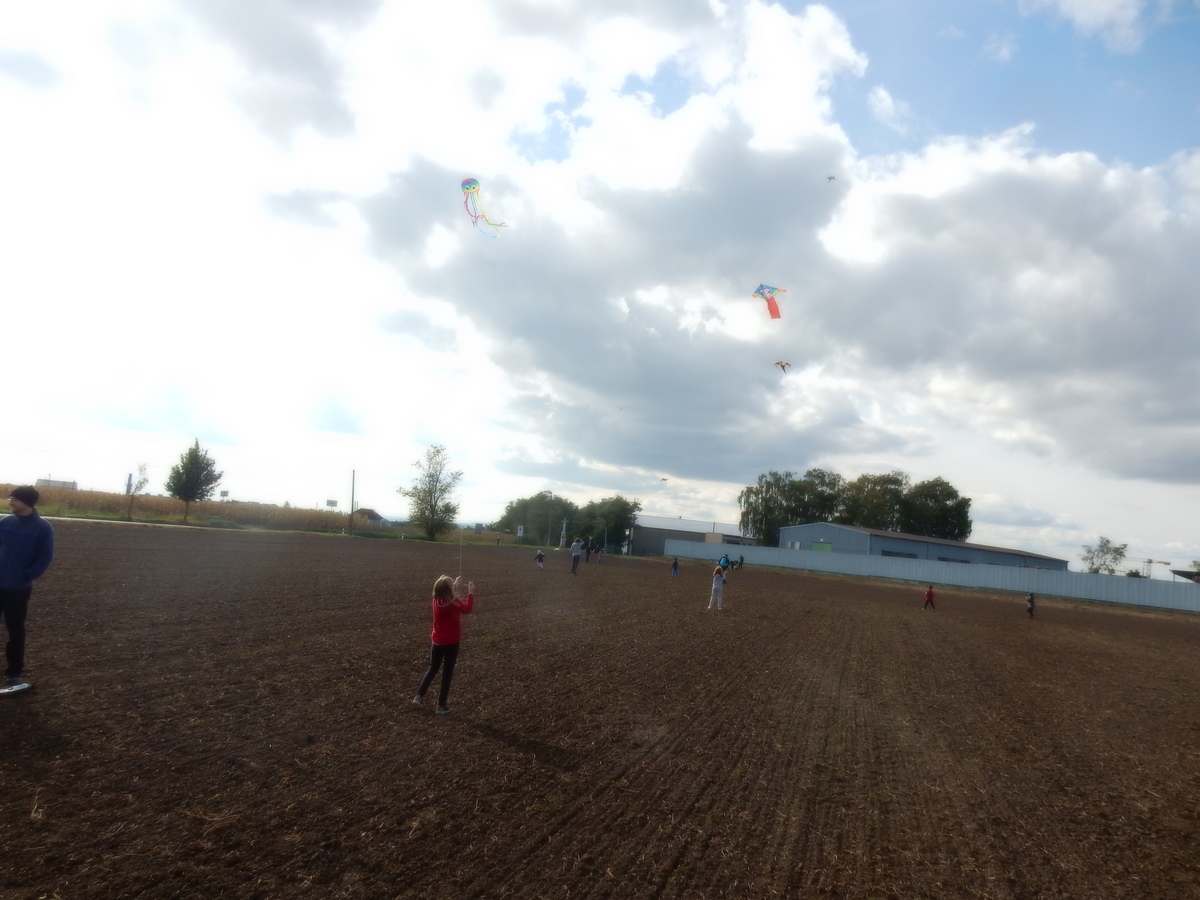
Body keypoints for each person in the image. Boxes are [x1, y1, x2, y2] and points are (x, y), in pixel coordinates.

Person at [1, 486, 56, 688]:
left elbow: (45, 557)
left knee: (15, 631)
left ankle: (14, 673)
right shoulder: (5, 522)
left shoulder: (43, 528)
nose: (9, 502)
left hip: (18, 589)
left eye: (13, 499)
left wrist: (26, 575)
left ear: (26, 502)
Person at [413, 575, 475, 715]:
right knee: (447, 673)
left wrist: (455, 585)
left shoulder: (436, 600)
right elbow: (467, 609)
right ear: (449, 590)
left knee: (432, 669)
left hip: (437, 642)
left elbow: (445, 592)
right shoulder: (454, 602)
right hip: (451, 643)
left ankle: (419, 696)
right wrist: (470, 593)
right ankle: (441, 706)